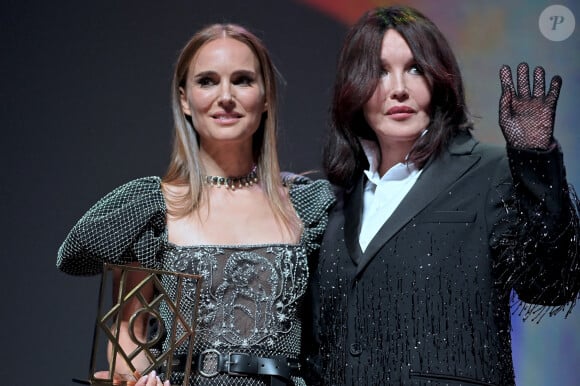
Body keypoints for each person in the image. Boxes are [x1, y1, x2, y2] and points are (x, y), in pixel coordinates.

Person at [306, 5, 580, 386]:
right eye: (380, 71)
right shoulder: (336, 201)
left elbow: (551, 284)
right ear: (354, 86)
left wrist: (535, 160)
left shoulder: (489, 172)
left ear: (439, 79)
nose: (398, 88)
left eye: (415, 68)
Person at [57, 23, 334, 386]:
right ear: (185, 99)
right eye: (207, 81)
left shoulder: (304, 205)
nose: (225, 96)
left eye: (242, 80)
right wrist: (137, 379)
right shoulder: (154, 210)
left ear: (266, 97)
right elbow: (130, 330)